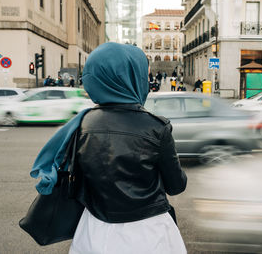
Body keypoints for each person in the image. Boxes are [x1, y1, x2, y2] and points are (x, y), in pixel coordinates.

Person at [67, 43, 187, 253]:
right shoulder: (156, 127)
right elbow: (176, 186)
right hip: (147, 233)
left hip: (93, 230)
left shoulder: (82, 123)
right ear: (134, 78)